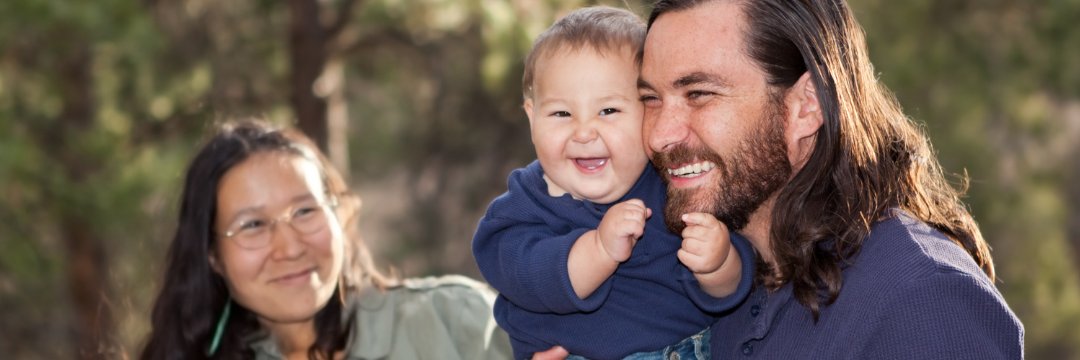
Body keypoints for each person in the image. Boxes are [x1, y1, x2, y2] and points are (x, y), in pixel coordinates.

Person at [637, 0, 1024, 358]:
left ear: (806, 106)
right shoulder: (684, 276)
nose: (659, 135)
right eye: (650, 99)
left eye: (699, 93)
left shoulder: (923, 300)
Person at [472, 6, 755, 360]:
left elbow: (729, 289)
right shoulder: (526, 202)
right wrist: (598, 251)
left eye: (608, 111)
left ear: (647, 113)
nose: (585, 131)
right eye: (561, 113)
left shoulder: (674, 187)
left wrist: (718, 262)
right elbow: (520, 271)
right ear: (532, 116)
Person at [139, 120, 513, 359]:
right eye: (253, 224)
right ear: (212, 256)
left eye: (305, 211)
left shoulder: (455, 320)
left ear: (338, 213)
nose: (290, 247)